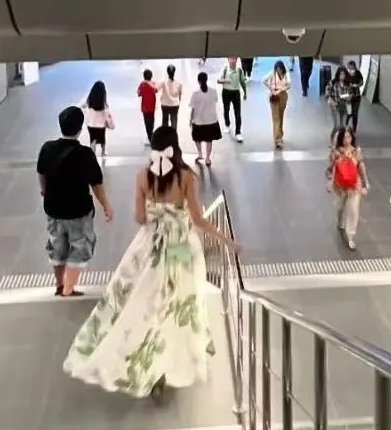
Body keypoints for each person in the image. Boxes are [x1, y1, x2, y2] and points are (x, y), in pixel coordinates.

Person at [63, 125, 239, 399]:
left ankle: (146, 363)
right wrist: (226, 240)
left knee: (146, 304)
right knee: (179, 302)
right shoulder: (186, 177)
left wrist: (157, 214)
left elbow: (140, 218)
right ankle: (172, 360)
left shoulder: (143, 176)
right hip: (180, 248)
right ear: (175, 147)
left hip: (150, 248)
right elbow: (198, 219)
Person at [37, 106, 113, 297]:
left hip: (53, 210)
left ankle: (60, 285)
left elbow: (41, 173)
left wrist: (44, 190)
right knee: (80, 247)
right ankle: (68, 289)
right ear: (80, 128)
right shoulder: (85, 154)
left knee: (57, 248)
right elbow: (96, 184)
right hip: (78, 212)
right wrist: (106, 205)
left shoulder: (47, 148)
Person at [326, 128, 368, 251]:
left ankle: (351, 236)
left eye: (349, 137)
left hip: (354, 186)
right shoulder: (336, 152)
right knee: (340, 207)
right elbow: (330, 168)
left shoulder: (356, 151)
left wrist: (365, 182)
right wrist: (329, 181)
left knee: (353, 210)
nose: (346, 140)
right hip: (340, 186)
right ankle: (340, 221)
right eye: (344, 137)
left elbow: (361, 166)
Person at [190, 71, 222, 166]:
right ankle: (208, 158)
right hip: (211, 120)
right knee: (209, 139)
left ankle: (200, 153)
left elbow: (193, 108)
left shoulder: (195, 93)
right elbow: (215, 101)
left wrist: (191, 120)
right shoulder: (213, 91)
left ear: (198, 81)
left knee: (197, 138)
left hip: (199, 120)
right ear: (206, 80)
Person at [218, 57, 248, 143]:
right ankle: (227, 124)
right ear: (228, 60)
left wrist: (245, 92)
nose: (233, 60)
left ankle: (238, 132)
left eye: (234, 58)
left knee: (238, 113)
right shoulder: (225, 69)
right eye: (231, 58)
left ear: (237, 60)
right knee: (226, 110)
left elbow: (242, 82)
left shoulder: (239, 70)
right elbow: (218, 80)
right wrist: (226, 80)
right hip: (226, 92)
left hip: (236, 93)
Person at [264, 60, 291, 149]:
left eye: (280, 69)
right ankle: (277, 139)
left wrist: (281, 90)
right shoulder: (272, 73)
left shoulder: (286, 75)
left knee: (281, 116)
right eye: (277, 69)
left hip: (283, 96)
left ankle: (280, 134)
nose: (278, 71)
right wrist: (271, 89)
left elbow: (289, 85)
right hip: (274, 96)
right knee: (276, 117)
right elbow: (264, 80)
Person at [83, 80, 114, 159]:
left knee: (92, 140)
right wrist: (110, 124)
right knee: (102, 139)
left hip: (91, 124)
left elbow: (83, 107)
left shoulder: (89, 101)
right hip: (101, 125)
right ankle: (103, 153)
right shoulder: (103, 104)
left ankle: (92, 155)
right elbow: (108, 115)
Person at [327, 65, 355, 141]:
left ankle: (340, 141)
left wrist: (349, 97)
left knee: (343, 126)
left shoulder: (348, 84)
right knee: (337, 126)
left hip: (344, 107)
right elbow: (327, 93)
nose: (342, 76)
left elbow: (351, 93)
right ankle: (332, 139)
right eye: (340, 74)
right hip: (335, 106)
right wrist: (331, 101)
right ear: (338, 74)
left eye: (343, 74)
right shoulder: (332, 83)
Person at [137, 69, 157, 145]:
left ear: (144, 76)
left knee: (146, 122)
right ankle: (151, 137)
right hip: (152, 106)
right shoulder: (153, 83)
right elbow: (156, 90)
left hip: (144, 107)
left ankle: (150, 138)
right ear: (151, 76)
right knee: (151, 121)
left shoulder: (142, 84)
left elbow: (139, 93)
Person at [159, 64, 182, 129]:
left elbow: (156, 89)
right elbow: (180, 96)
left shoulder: (163, 82)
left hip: (165, 105)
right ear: (174, 72)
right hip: (175, 105)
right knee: (174, 121)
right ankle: (174, 134)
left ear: (167, 72)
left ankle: (165, 134)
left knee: (165, 121)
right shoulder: (179, 83)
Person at [346, 59, 365, 132]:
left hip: (356, 97)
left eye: (351, 68)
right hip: (348, 97)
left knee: (355, 114)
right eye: (349, 68)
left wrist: (357, 85)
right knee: (348, 113)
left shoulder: (358, 73)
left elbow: (362, 82)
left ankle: (354, 130)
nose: (350, 70)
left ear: (354, 67)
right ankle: (345, 127)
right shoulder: (346, 74)